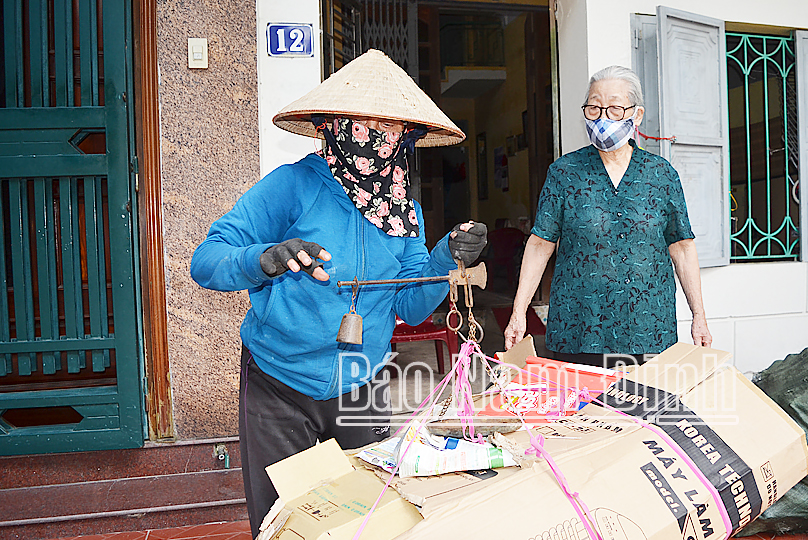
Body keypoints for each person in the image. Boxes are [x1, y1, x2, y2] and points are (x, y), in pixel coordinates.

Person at [190, 50, 487, 536]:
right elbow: (206, 258)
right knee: (283, 524)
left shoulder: (403, 208)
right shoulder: (294, 186)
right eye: (364, 125)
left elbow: (409, 306)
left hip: (362, 387)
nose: (380, 140)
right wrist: (265, 259)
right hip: (279, 383)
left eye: (392, 130)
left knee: (365, 521)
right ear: (335, 127)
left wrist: (445, 257)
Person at [503, 65, 711, 366]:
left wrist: (699, 316)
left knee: (644, 410)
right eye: (594, 108)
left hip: (648, 328)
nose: (602, 118)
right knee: (579, 412)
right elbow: (540, 244)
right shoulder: (564, 173)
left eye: (614, 108)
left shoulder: (661, 175)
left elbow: (681, 246)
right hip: (579, 329)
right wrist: (519, 310)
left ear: (636, 115)